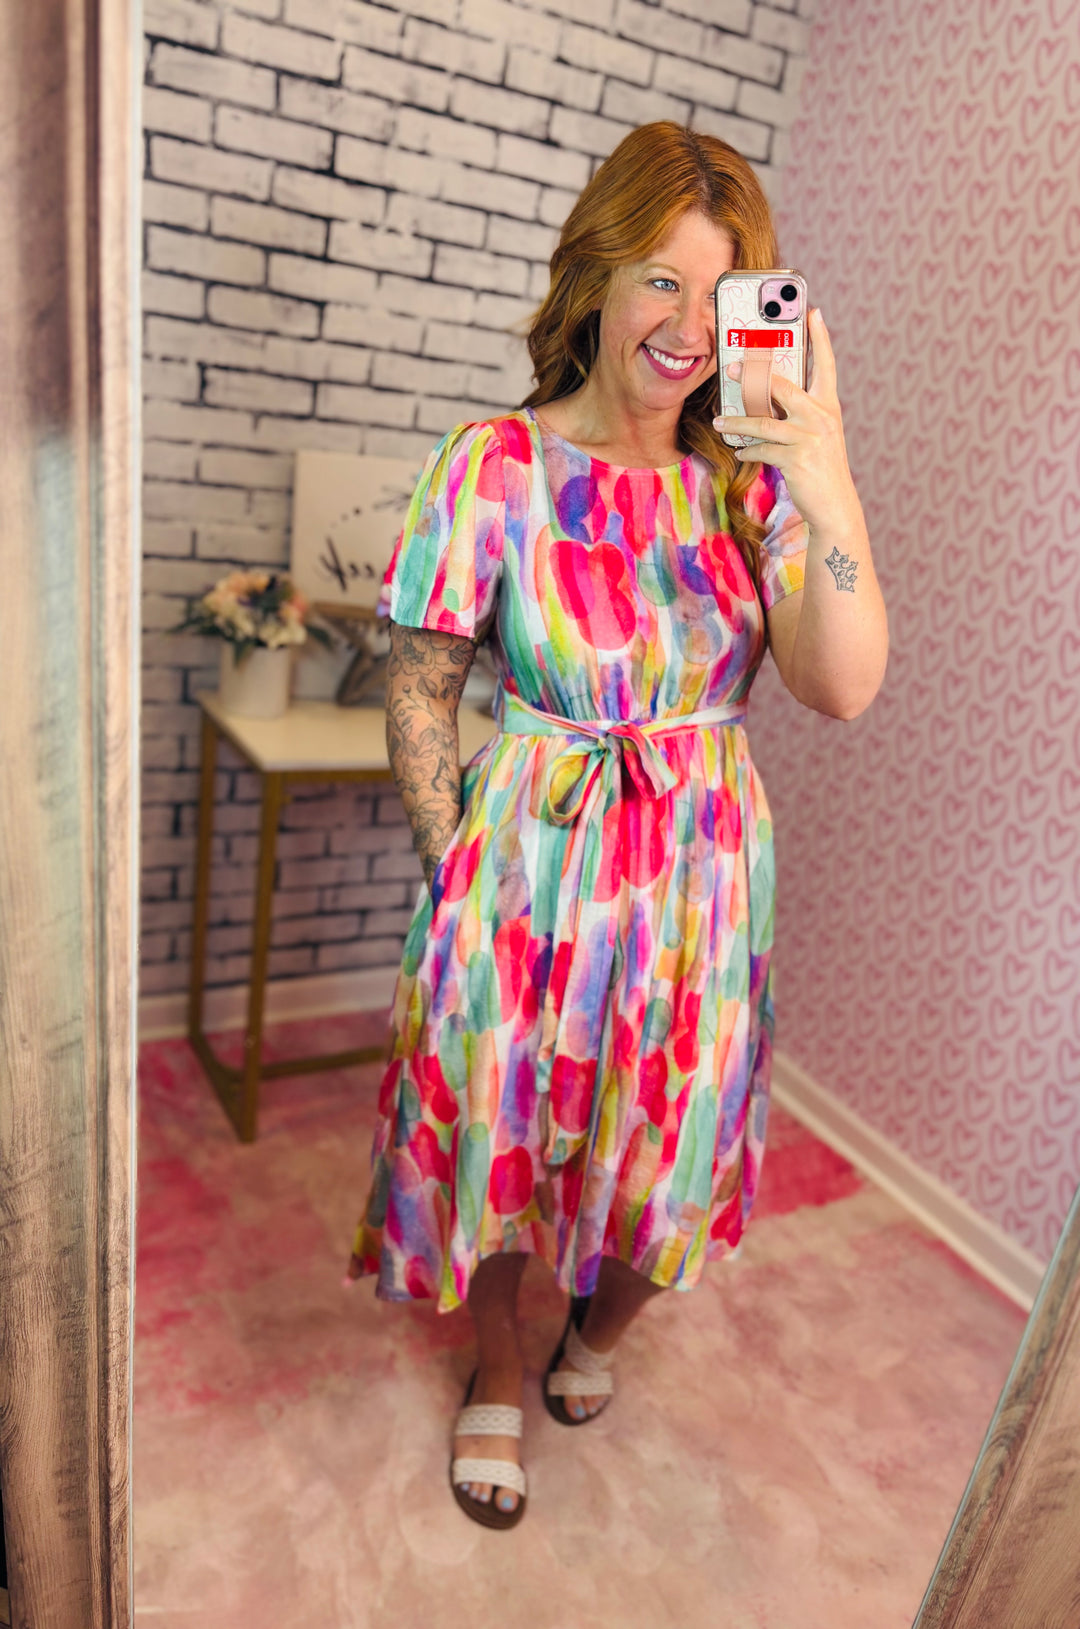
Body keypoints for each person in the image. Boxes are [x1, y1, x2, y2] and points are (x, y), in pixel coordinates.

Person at [344, 121, 888, 1528]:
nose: (691, 329)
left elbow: (840, 685)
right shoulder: (493, 465)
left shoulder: (754, 484)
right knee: (501, 1123)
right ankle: (501, 1357)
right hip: (522, 871)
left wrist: (825, 473)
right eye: (661, 279)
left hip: (699, 883)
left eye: (723, 294)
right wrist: (454, 874)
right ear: (595, 273)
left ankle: (595, 1331)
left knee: (670, 1142)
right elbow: (422, 682)